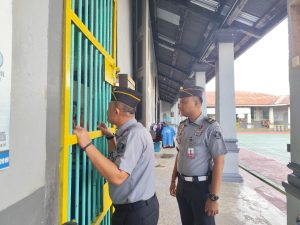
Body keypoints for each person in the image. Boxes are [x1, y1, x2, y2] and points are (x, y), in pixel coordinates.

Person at [74, 86, 159, 225]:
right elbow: (118, 159)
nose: (107, 111)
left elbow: (118, 177)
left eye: (108, 108)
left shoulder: (134, 135)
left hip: (136, 215)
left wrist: (87, 145)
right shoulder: (128, 132)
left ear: (117, 111)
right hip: (132, 210)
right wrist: (109, 137)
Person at [169, 85, 227, 225]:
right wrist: (173, 180)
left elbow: (219, 162)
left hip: (200, 188)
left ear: (196, 103)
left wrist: (213, 197)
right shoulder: (183, 126)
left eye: (184, 102)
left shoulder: (211, 127)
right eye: (179, 102)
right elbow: (180, 154)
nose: (180, 106)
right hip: (182, 186)